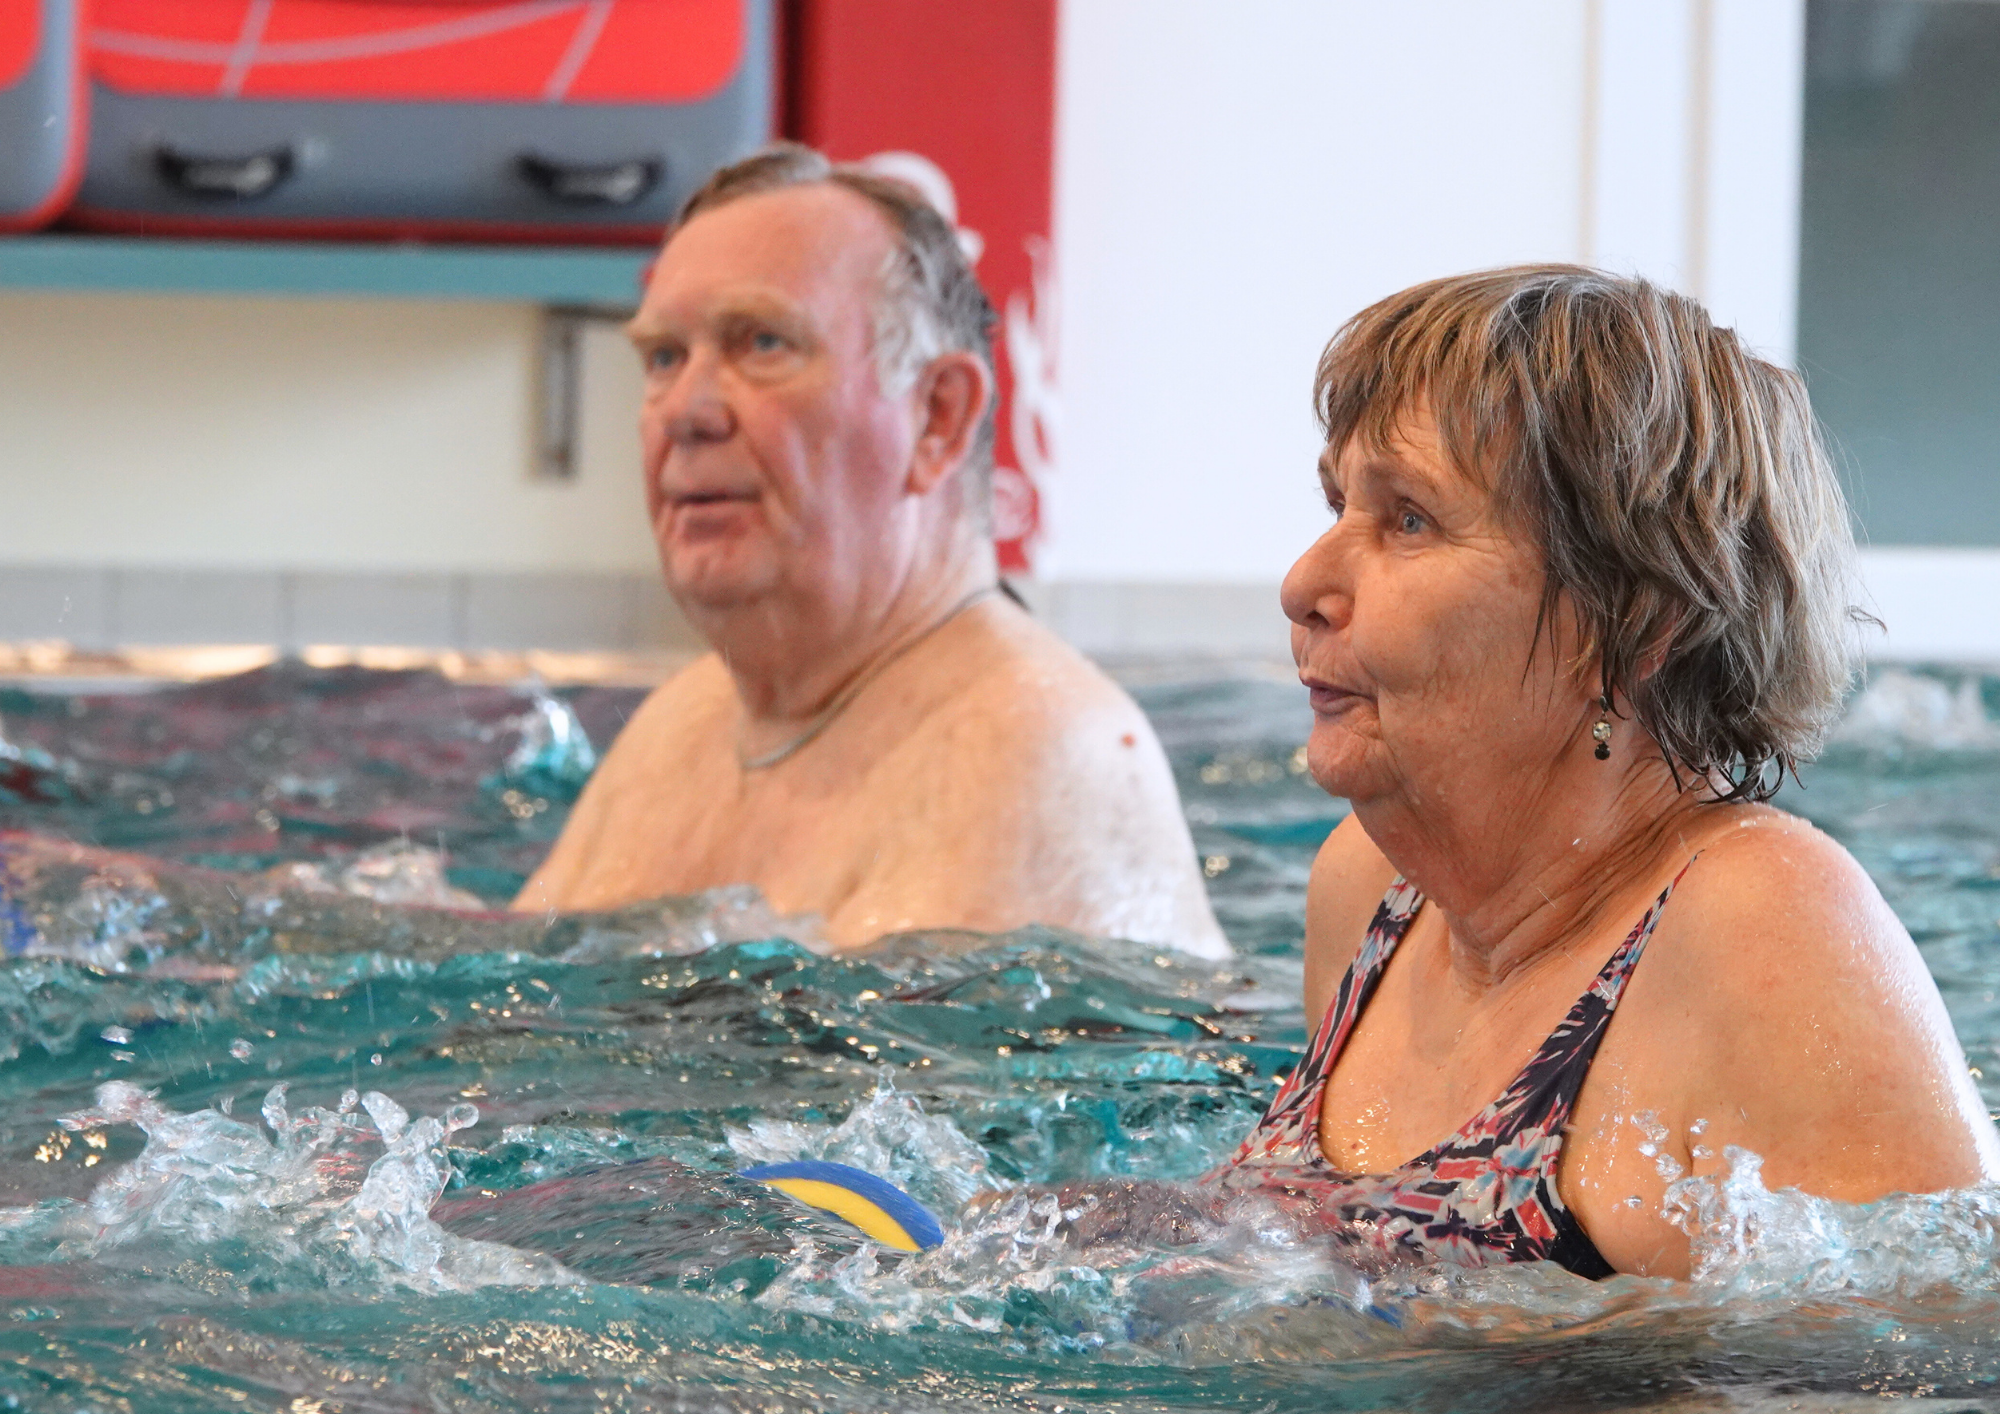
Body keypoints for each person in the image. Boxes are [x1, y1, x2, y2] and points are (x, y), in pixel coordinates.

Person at [1215, 266, 2000, 1279]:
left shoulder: (1765, 927)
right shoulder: (1373, 890)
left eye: (1408, 519)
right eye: (1337, 505)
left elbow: (1921, 1337)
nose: (1304, 583)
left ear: (1629, 621)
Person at [514, 145, 1226, 958]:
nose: (686, 410)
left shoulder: (1035, 751)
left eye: (762, 344)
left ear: (937, 418)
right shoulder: (684, 723)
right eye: (664, 357)